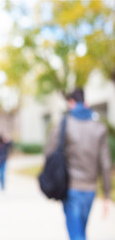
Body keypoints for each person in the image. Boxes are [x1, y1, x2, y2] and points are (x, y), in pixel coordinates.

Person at [45, 88, 112, 240]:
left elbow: (49, 152)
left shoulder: (64, 125)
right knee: (80, 231)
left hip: (71, 188)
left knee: (76, 234)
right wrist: (107, 194)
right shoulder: (99, 127)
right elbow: (105, 163)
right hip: (91, 189)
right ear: (86, 103)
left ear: (71, 103)